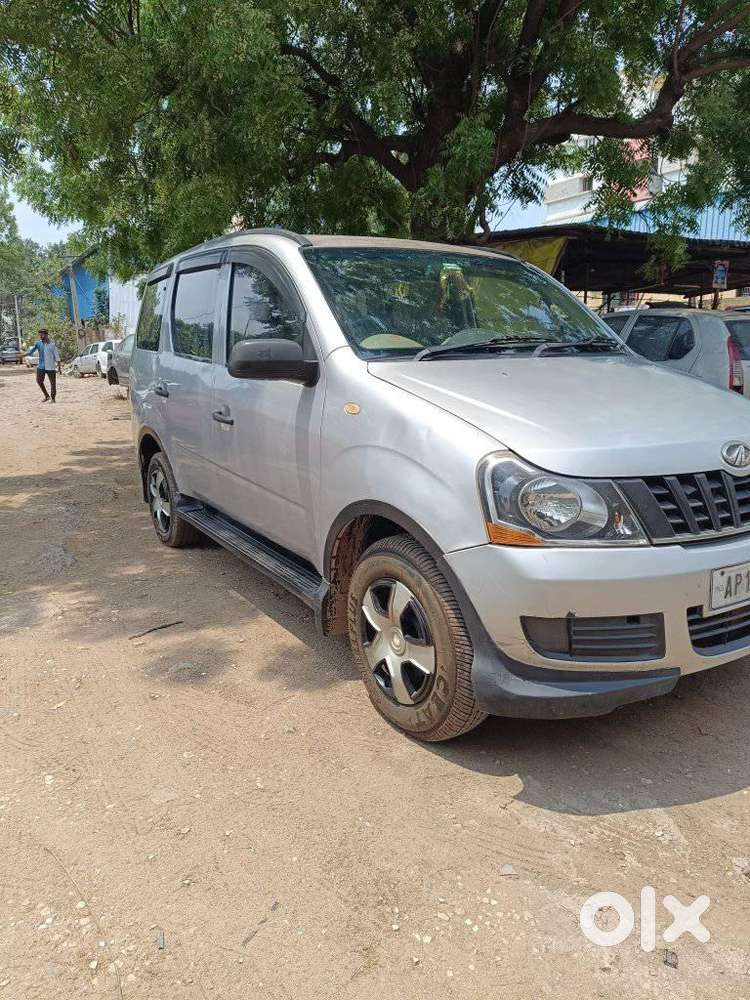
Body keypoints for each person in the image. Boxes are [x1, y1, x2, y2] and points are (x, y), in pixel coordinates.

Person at [27, 328, 62, 402]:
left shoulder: (52, 344)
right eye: (39, 335)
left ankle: (53, 398)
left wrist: (59, 367)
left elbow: (57, 356)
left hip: (50, 366)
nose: (40, 336)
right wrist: (23, 355)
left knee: (53, 383)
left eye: (42, 335)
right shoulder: (38, 343)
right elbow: (31, 351)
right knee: (39, 381)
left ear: (46, 335)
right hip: (41, 366)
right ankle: (46, 396)